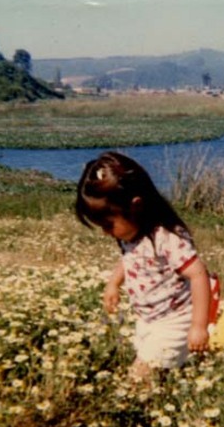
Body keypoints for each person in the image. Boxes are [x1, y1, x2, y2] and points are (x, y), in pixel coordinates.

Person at [76, 151, 211, 382]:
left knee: (139, 376)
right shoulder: (130, 234)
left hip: (175, 319)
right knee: (155, 365)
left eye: (108, 225)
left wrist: (199, 326)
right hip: (148, 318)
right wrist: (113, 283)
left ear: (136, 206)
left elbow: (199, 276)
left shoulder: (165, 237)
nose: (106, 233)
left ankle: (133, 404)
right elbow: (128, 259)